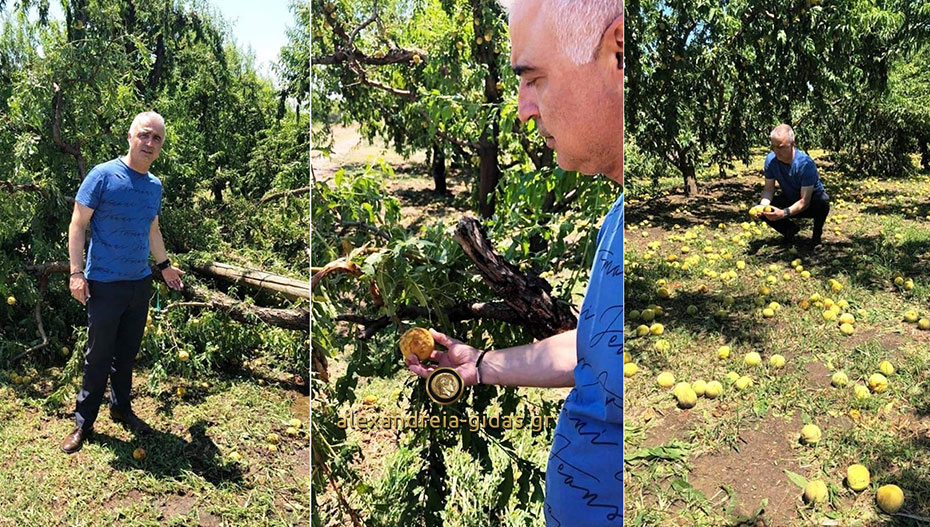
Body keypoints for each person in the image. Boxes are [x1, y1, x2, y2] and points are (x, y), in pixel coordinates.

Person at [406, 0, 623, 524]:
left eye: (535, 79)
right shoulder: (618, 220)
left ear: (618, 52)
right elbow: (595, 349)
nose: (524, 110)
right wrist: (479, 364)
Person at [61, 111, 185, 454]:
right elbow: (77, 224)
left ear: (160, 147)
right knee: (98, 355)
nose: (149, 143)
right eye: (144, 135)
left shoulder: (154, 186)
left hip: (139, 282)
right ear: (130, 137)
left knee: (127, 354)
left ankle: (121, 407)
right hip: (103, 283)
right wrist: (76, 272)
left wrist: (165, 266)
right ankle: (83, 423)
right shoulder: (103, 175)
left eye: (156, 138)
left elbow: (152, 229)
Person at [758, 124, 830, 248]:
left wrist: (783, 213)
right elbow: (768, 189)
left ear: (793, 144)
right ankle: (789, 229)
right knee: (763, 208)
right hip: (791, 198)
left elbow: (804, 201)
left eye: (780, 147)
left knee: (823, 201)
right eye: (773, 147)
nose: (776, 151)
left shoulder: (806, 164)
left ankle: (816, 237)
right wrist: (762, 207)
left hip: (811, 203)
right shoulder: (771, 160)